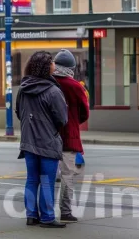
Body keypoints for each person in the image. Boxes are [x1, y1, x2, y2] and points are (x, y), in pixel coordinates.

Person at [16, 51, 68, 228]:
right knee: (47, 180)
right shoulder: (53, 90)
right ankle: (47, 217)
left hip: (28, 140)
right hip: (47, 141)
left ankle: (31, 215)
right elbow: (62, 118)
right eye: (52, 61)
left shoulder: (23, 89)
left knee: (32, 179)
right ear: (46, 67)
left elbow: (18, 112)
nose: (54, 64)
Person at [52, 49, 90, 223]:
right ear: (71, 68)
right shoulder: (76, 86)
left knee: (46, 175)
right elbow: (85, 112)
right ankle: (65, 211)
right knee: (67, 175)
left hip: (49, 136)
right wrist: (73, 121)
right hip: (69, 136)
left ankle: (44, 210)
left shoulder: (48, 83)